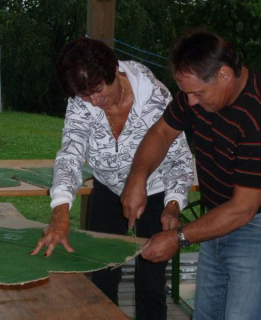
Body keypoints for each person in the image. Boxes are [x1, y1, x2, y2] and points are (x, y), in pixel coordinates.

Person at [121, 29, 261, 320]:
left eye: (198, 93)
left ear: (224, 74)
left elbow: (243, 210)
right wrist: (137, 178)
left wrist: (178, 237)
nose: (192, 102)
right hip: (217, 215)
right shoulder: (198, 94)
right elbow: (161, 133)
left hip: (260, 226)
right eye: (187, 94)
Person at [30, 37, 194, 320]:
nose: (94, 101)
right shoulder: (81, 102)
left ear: (114, 70)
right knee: (102, 277)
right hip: (106, 189)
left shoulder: (156, 98)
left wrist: (173, 205)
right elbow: (70, 154)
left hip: (156, 194)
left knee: (151, 285)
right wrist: (60, 211)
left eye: (97, 90)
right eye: (85, 96)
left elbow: (180, 160)